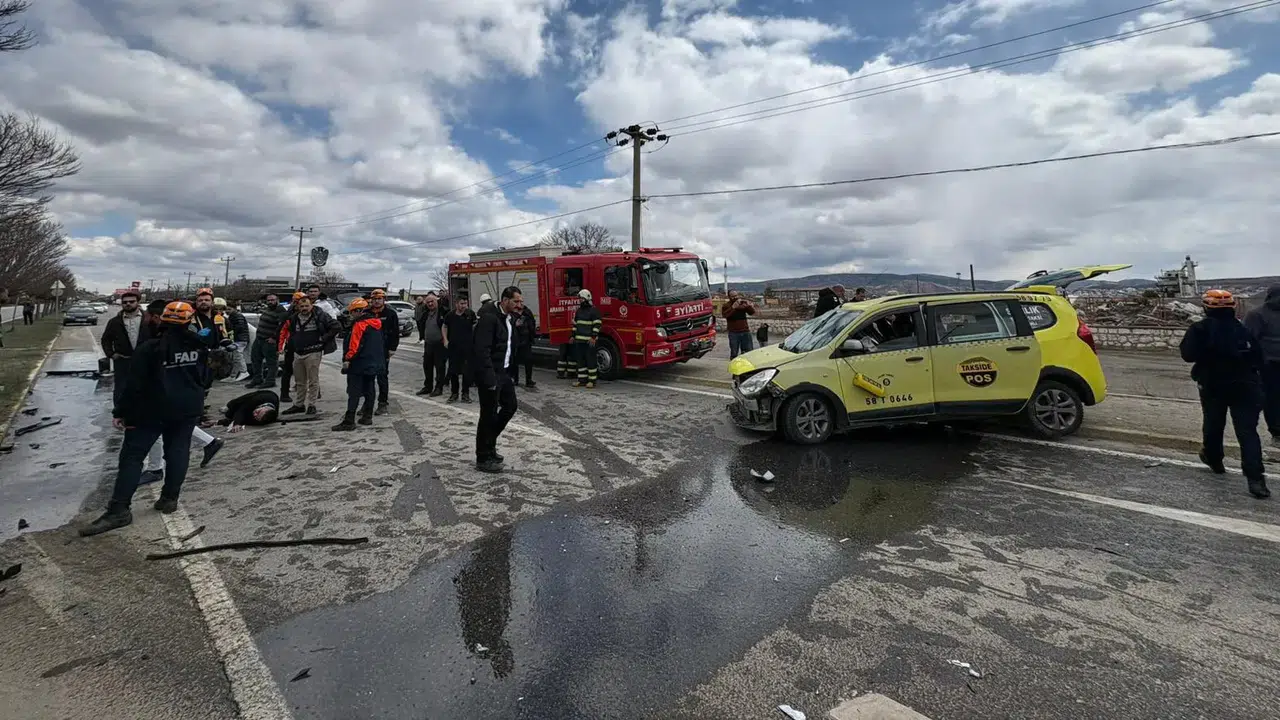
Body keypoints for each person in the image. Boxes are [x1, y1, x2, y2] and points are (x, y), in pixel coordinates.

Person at [79, 301, 220, 536]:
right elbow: (206, 379)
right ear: (189, 321)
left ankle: (119, 510)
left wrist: (121, 412)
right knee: (178, 451)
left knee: (132, 457)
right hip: (186, 409)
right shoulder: (200, 347)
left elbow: (133, 386)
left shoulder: (149, 348)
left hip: (151, 411)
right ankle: (169, 498)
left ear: (162, 320)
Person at [1180, 289, 1268, 499]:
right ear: (1232, 307)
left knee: (1213, 423)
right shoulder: (1242, 329)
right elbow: (1258, 357)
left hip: (1213, 385)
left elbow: (1187, 355)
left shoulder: (1199, 329)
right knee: (1247, 432)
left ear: (1206, 307)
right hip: (1245, 386)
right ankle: (1256, 480)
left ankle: (1214, 459)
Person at [473, 286, 523, 473]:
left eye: (521, 301)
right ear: (505, 300)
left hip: (504, 372)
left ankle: (490, 442)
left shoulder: (508, 318)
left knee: (510, 406)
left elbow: (510, 345)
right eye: (516, 301)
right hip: (490, 373)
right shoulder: (489, 318)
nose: (520, 305)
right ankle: (483, 456)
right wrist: (488, 377)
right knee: (488, 414)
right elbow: (481, 350)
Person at [279, 294, 336, 416]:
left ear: (311, 306)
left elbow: (336, 326)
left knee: (313, 380)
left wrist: (324, 338)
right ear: (298, 307)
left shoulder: (320, 316)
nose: (304, 308)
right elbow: (286, 330)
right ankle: (299, 404)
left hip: (313, 352)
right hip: (298, 352)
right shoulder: (294, 318)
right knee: (300, 381)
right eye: (302, 306)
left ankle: (312, 404)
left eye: (307, 305)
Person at [334, 298, 385, 431]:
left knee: (354, 390)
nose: (350, 315)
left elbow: (354, 346)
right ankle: (368, 416)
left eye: (352, 312)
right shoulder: (376, 323)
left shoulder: (360, 324)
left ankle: (349, 420)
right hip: (373, 361)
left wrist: (347, 359)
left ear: (358, 311)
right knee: (370, 388)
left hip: (359, 362)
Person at [1244, 285, 1280, 442]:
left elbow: (1247, 340)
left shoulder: (1256, 314)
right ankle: (1277, 432)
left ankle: (1277, 433)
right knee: (1272, 399)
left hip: (1268, 364)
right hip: (1268, 364)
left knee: (1272, 400)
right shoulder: (1257, 315)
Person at [101, 290, 149, 406]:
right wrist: (111, 354)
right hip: (123, 361)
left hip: (145, 361)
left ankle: (144, 415)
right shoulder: (115, 322)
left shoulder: (148, 320)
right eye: (125, 302)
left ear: (138, 302)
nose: (128, 304)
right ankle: (119, 415)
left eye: (131, 301)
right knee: (121, 388)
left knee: (145, 388)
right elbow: (106, 340)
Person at [368, 289, 400, 415]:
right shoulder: (367, 312)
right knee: (368, 377)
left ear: (383, 300)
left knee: (382, 377)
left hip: (383, 350)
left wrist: (392, 348)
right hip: (368, 350)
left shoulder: (390, 314)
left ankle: (382, 403)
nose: (376, 301)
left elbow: (395, 332)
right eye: (374, 299)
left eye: (379, 299)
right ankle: (367, 403)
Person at [248, 293, 287, 389]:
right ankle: (257, 379)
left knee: (271, 362)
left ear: (277, 300)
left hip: (269, 341)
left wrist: (275, 338)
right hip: (259, 339)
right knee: (255, 359)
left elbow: (282, 326)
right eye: (268, 300)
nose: (270, 302)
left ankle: (270, 381)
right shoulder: (267, 309)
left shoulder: (281, 311)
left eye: (272, 300)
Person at [443, 296, 477, 403]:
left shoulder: (470, 314)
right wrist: (445, 340)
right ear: (456, 304)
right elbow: (444, 327)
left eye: (465, 303)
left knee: (467, 372)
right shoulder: (450, 315)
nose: (464, 306)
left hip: (467, 348)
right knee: (453, 372)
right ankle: (454, 393)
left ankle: (465, 394)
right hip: (453, 347)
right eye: (462, 304)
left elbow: (475, 326)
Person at [277, 291, 306, 405]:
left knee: (306, 371)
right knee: (288, 371)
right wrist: (280, 346)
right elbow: (282, 331)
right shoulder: (289, 315)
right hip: (293, 345)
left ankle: (289, 394)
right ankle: (284, 394)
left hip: (304, 344)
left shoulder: (311, 313)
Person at [417, 292, 447, 396]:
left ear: (436, 301)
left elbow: (448, 327)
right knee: (427, 366)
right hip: (428, 343)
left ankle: (439, 388)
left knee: (439, 367)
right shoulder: (425, 313)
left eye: (432, 301)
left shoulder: (444, 312)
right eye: (428, 302)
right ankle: (428, 387)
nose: (430, 304)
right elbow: (421, 325)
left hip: (440, 344)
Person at [572, 289, 602, 389]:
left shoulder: (594, 311)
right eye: (579, 298)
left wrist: (593, 337)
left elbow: (597, 325)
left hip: (589, 341)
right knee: (581, 361)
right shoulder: (579, 311)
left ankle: (592, 381)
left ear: (586, 299)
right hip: (579, 341)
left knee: (591, 361)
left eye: (581, 298)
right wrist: (573, 336)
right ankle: (582, 380)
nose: (579, 300)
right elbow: (575, 325)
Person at [222, 298, 251, 381]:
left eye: (229, 309)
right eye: (226, 309)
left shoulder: (237, 316)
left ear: (234, 308)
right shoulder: (233, 316)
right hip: (239, 338)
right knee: (235, 357)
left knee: (238, 355)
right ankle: (233, 376)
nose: (227, 311)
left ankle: (244, 371)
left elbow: (239, 327)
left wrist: (230, 330)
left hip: (240, 339)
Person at [722, 290, 756, 359]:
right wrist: (733, 308)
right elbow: (725, 315)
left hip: (745, 331)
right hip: (733, 333)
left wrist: (749, 306)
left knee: (748, 352)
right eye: (733, 296)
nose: (735, 297)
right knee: (734, 353)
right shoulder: (726, 305)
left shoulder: (742, 304)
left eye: (736, 295)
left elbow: (752, 313)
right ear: (729, 297)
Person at [512, 302, 537, 388]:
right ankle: (515, 379)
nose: (520, 304)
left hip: (526, 341)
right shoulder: (512, 314)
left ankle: (528, 380)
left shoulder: (527, 312)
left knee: (528, 361)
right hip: (516, 342)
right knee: (515, 362)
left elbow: (532, 323)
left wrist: (532, 335)